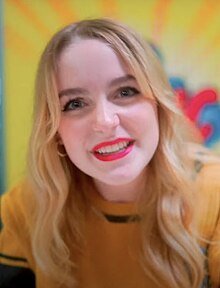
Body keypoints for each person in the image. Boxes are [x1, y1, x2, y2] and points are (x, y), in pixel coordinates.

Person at [0, 18, 220, 288]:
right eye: (75, 103)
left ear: (160, 107)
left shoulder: (215, 196)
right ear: (55, 129)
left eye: (125, 91)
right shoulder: (23, 209)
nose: (104, 121)